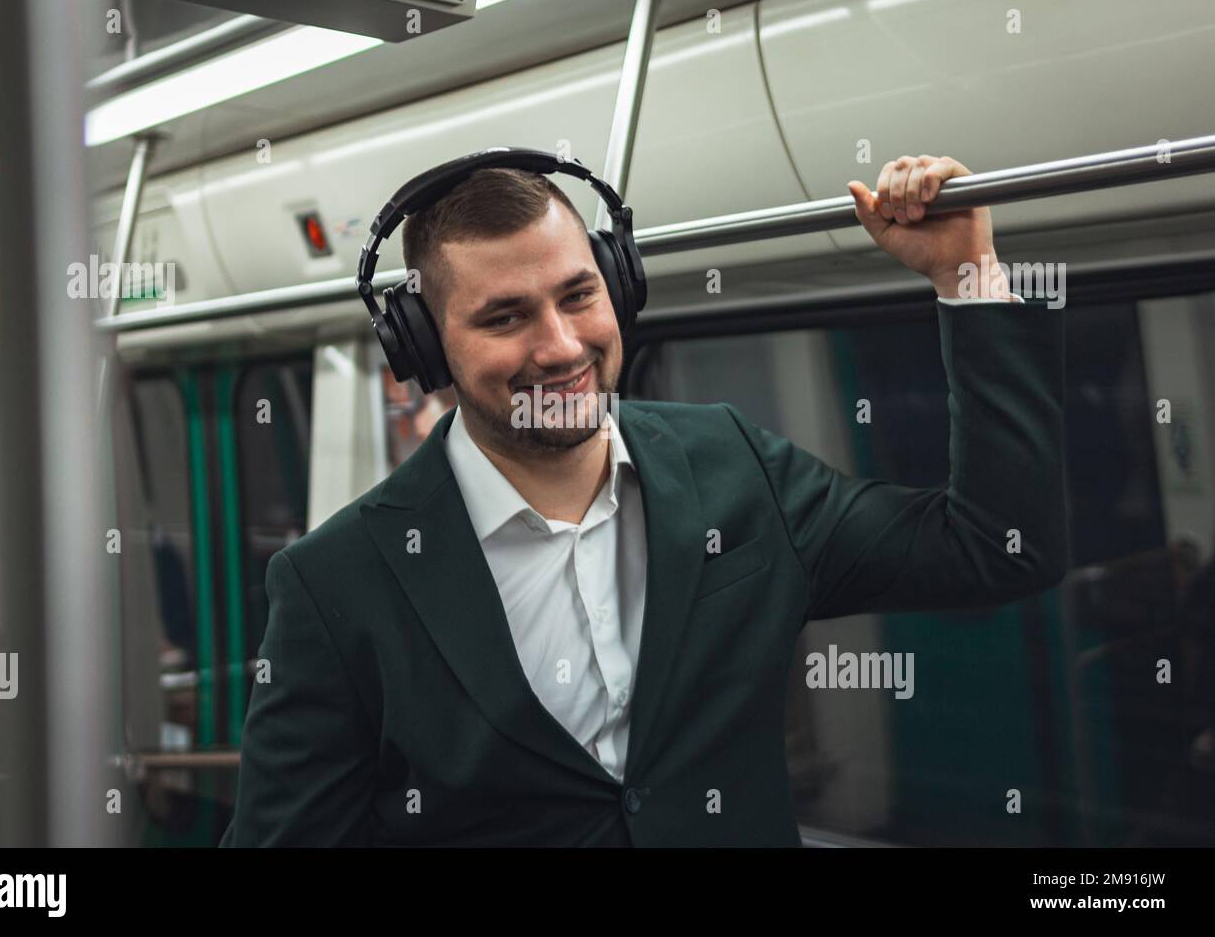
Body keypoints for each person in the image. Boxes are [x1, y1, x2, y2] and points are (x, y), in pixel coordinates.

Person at [221, 153, 1067, 846]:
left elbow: (1002, 548)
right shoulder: (338, 584)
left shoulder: (732, 465)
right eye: (505, 317)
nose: (559, 346)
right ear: (426, 349)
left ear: (617, 286)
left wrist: (968, 277)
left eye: (578, 295)